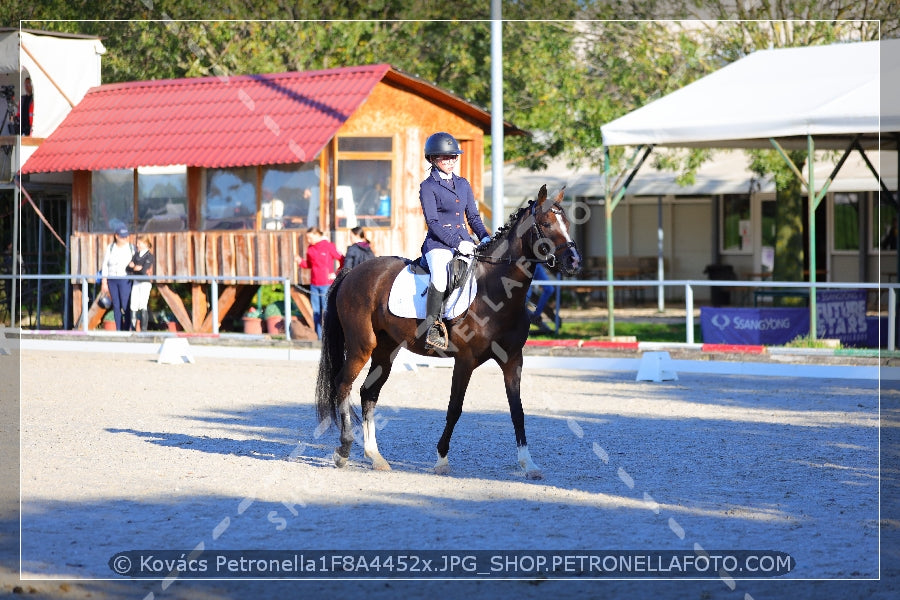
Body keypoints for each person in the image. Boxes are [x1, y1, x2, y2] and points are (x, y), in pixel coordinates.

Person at [419, 131, 491, 349]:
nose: (450, 161)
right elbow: (433, 222)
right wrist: (456, 243)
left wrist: (485, 236)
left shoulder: (462, 183)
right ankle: (432, 328)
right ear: (432, 159)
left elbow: (473, 217)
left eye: (453, 157)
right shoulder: (428, 186)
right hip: (439, 245)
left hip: (466, 242)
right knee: (441, 278)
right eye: (445, 157)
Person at [296, 227, 343, 339]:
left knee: (327, 311)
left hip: (326, 284)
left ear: (317, 235)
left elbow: (342, 259)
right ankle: (320, 338)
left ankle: (330, 337)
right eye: (307, 238)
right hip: (314, 285)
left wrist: (336, 274)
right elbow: (309, 264)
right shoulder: (310, 248)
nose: (308, 240)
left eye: (310, 238)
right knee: (316, 312)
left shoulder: (328, 246)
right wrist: (300, 262)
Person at [99, 225, 135, 331]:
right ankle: (119, 330)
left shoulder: (131, 247)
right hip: (112, 279)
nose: (125, 239)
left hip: (125, 279)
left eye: (126, 237)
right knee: (116, 305)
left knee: (125, 305)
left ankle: (127, 328)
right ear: (116, 236)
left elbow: (137, 261)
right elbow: (105, 265)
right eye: (122, 237)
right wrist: (104, 282)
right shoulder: (110, 247)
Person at [127, 235, 155, 331]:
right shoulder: (136, 255)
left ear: (145, 244)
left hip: (145, 282)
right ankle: (134, 329)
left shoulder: (149, 256)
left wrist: (134, 267)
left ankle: (143, 330)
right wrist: (135, 267)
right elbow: (128, 267)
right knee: (133, 304)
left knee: (143, 304)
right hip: (136, 281)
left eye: (139, 243)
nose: (137, 245)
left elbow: (143, 270)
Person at [527, 262, 555, 333]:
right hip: (525, 264)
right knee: (527, 295)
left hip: (537, 264)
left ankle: (536, 315)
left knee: (549, 289)